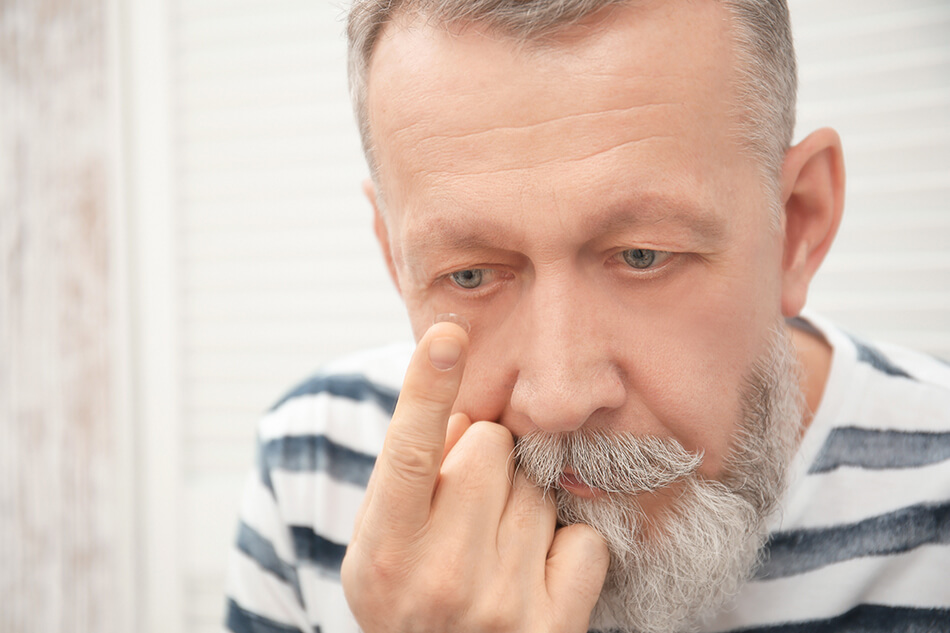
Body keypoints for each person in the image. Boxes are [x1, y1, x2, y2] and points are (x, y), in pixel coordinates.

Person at [224, 0, 950, 631]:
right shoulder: (311, 466)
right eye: (470, 274)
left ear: (796, 225)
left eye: (641, 256)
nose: (559, 396)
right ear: (395, 261)